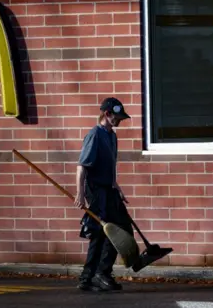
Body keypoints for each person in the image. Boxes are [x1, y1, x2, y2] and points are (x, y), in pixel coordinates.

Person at [74, 97, 133, 292]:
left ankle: (89, 277)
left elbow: (109, 167)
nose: (120, 121)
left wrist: (117, 187)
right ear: (107, 114)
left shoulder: (112, 136)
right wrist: (80, 194)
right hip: (96, 191)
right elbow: (82, 167)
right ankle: (99, 274)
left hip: (109, 189)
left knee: (117, 229)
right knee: (108, 232)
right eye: (117, 117)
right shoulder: (95, 136)